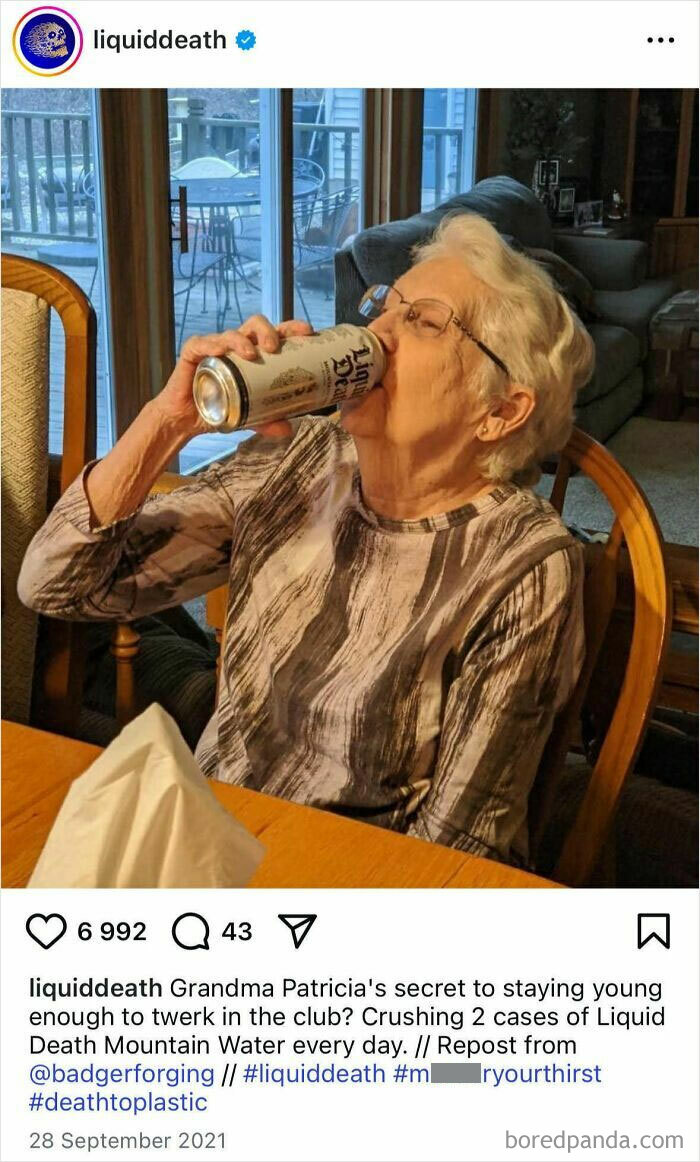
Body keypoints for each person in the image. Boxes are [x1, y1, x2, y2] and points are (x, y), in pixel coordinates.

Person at [19, 213, 594, 867]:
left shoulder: (525, 564)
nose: (375, 333)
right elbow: (55, 584)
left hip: (343, 883)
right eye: (383, 305)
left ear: (500, 411)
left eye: (424, 322)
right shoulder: (302, 458)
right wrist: (168, 423)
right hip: (207, 837)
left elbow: (457, 850)